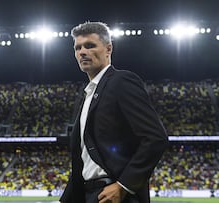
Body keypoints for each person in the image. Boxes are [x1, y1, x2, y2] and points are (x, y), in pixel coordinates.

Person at [60, 21, 169, 203]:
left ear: (108, 49)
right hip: (90, 196)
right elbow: (82, 163)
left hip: (116, 195)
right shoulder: (88, 95)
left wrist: (123, 185)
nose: (82, 52)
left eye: (90, 46)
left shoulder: (121, 81)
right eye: (78, 48)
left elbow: (156, 138)